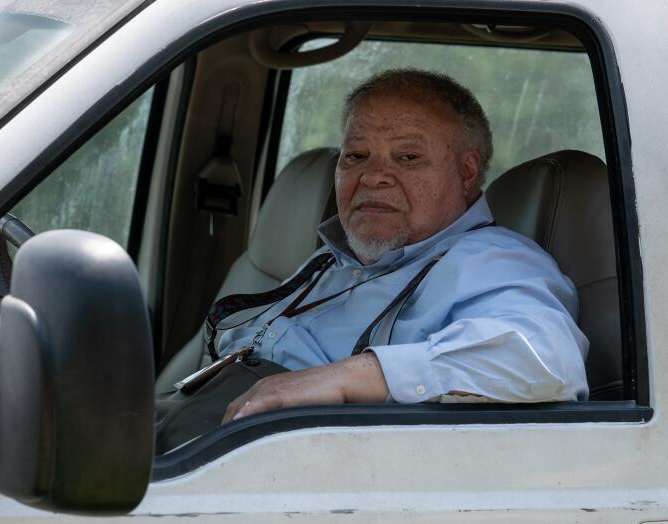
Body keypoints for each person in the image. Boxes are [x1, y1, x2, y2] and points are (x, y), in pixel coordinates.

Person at [212, 68, 589, 423]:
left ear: (467, 172)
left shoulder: (493, 261)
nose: (373, 177)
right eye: (356, 157)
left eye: (408, 157)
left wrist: (346, 379)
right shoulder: (332, 260)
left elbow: (544, 359)